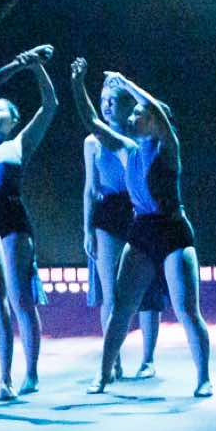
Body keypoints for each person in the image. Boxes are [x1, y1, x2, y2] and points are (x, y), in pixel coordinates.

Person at [84, 72, 213, 397]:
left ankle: (203, 378)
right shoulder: (128, 149)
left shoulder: (168, 147)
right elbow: (91, 122)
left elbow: (152, 107)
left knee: (186, 309)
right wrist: (77, 83)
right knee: (121, 308)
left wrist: (125, 83)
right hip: (142, 231)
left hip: (172, 231)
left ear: (154, 121)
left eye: (138, 113)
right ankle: (103, 374)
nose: (131, 117)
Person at [0, 48, 57, 396]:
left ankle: (30, 373)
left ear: (13, 120)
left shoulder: (18, 145)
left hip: (11, 223)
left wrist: (36, 68)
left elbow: (50, 106)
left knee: (19, 301)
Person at [73, 59, 165, 379]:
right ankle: (113, 361)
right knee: (110, 291)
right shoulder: (93, 141)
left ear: (127, 104)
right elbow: (90, 188)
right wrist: (87, 229)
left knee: (147, 287)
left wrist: (125, 83)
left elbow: (157, 110)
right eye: (103, 100)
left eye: (114, 100)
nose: (108, 105)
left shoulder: (142, 137)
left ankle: (148, 359)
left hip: (140, 208)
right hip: (108, 212)